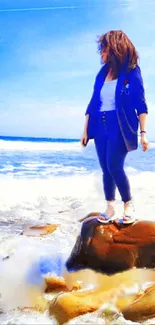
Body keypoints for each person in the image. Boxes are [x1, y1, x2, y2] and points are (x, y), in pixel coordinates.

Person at [81, 30, 149, 224]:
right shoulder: (102, 73)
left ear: (114, 47)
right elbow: (93, 101)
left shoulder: (131, 71)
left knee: (114, 166)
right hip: (99, 123)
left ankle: (128, 204)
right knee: (105, 168)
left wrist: (143, 133)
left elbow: (140, 103)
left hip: (120, 125)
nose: (101, 52)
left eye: (103, 48)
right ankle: (110, 206)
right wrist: (85, 129)